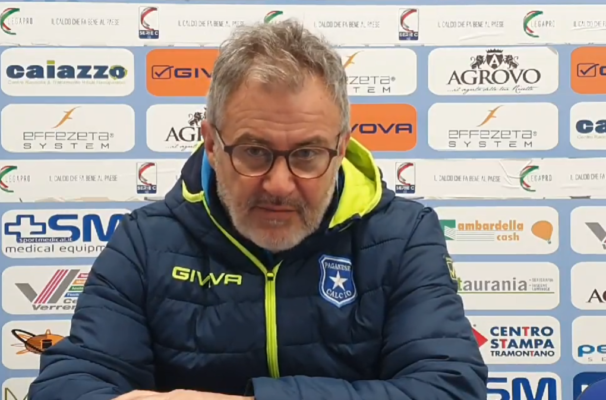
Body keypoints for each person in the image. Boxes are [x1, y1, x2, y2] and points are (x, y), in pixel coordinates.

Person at [29, 20, 487, 400]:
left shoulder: (404, 236)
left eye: (307, 154)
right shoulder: (145, 243)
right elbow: (66, 385)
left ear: (342, 149)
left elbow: (449, 388)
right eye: (253, 151)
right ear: (212, 144)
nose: (279, 184)